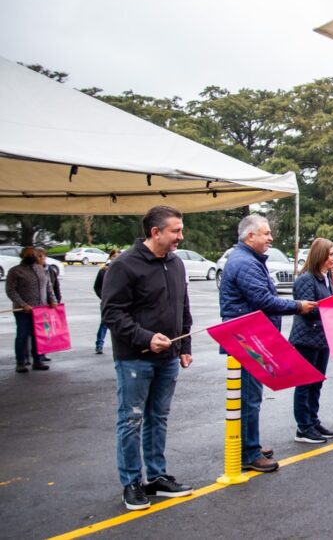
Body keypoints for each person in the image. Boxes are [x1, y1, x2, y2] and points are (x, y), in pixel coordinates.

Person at [100, 206, 194, 510]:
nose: (181, 236)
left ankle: (156, 477)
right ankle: (131, 482)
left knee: (159, 417)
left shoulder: (176, 263)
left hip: (169, 357)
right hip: (135, 359)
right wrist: (145, 337)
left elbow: (182, 307)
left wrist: (185, 346)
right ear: (155, 232)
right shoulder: (124, 265)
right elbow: (112, 313)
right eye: (175, 231)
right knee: (131, 419)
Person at [219, 214, 317, 472]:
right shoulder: (245, 263)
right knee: (249, 397)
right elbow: (264, 300)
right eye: (266, 234)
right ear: (250, 236)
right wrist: (298, 306)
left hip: (252, 335)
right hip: (246, 338)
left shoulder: (249, 260)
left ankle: (249, 442)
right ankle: (248, 452)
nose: (270, 238)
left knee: (251, 396)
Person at [289, 238, 333, 445]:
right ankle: (303, 426)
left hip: (322, 338)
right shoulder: (306, 279)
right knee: (304, 384)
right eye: (331, 254)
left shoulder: (327, 278)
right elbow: (307, 309)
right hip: (307, 339)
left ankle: (313, 420)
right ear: (320, 256)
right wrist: (332, 307)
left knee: (316, 382)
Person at [5, 246, 57, 372]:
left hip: (40, 310)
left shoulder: (40, 269)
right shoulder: (15, 271)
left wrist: (53, 300)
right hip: (23, 311)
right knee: (22, 336)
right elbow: (10, 290)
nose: (31, 256)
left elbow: (48, 286)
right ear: (22, 256)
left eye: (32, 254)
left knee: (38, 336)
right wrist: (22, 304)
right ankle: (21, 362)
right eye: (28, 254)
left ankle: (38, 361)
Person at [93, 248, 121, 354]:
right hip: (107, 302)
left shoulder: (123, 270)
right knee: (104, 323)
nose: (115, 259)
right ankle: (99, 344)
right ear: (110, 257)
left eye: (118, 256)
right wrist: (103, 297)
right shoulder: (103, 271)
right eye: (114, 256)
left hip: (120, 302)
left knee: (121, 324)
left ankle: (120, 347)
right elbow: (97, 287)